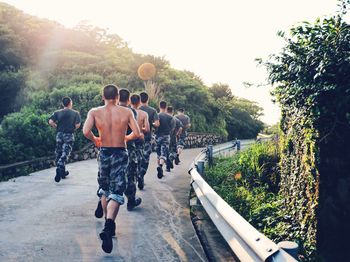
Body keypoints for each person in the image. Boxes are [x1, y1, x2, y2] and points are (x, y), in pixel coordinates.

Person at [83, 84, 141, 253]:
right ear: (117, 96)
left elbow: (86, 131)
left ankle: (109, 225)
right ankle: (109, 226)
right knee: (117, 191)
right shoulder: (127, 112)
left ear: (103, 97)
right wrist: (125, 137)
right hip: (120, 153)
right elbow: (137, 133)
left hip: (104, 152)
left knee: (105, 188)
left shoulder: (94, 112)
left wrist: (96, 140)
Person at [118, 89, 143, 211]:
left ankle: (106, 197)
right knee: (131, 174)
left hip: (114, 147)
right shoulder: (131, 111)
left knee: (115, 173)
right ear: (128, 100)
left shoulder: (112, 110)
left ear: (117, 98)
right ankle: (131, 201)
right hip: (129, 146)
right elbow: (136, 131)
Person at [49, 96, 81, 183]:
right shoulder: (75, 113)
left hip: (59, 135)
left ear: (63, 104)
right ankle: (60, 166)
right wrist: (72, 128)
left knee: (59, 152)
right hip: (68, 135)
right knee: (65, 153)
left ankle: (62, 173)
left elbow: (50, 121)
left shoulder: (57, 112)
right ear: (70, 103)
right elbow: (78, 125)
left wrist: (56, 126)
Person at [130, 94, 150, 190]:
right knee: (139, 161)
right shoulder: (144, 114)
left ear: (130, 101)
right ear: (139, 102)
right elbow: (147, 129)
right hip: (139, 141)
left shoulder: (125, 112)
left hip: (127, 141)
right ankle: (139, 176)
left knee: (129, 164)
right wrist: (140, 129)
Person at [139, 92, 160, 183]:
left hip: (134, 139)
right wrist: (151, 124)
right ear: (147, 100)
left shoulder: (134, 109)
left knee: (135, 159)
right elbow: (157, 124)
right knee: (145, 159)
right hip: (147, 139)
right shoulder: (152, 110)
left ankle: (136, 175)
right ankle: (141, 175)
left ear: (139, 100)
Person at [155, 101, 175, 179]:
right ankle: (160, 166)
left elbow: (155, 125)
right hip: (166, 136)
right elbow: (172, 128)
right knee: (164, 153)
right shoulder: (170, 117)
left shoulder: (156, 115)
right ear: (166, 107)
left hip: (157, 136)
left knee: (158, 153)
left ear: (159, 106)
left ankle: (159, 169)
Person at [166, 106, 183, 172]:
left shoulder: (165, 118)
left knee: (167, 152)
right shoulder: (176, 120)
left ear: (166, 111)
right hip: (173, 138)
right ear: (172, 112)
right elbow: (181, 128)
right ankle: (171, 159)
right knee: (173, 152)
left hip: (166, 138)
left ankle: (167, 168)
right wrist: (177, 134)